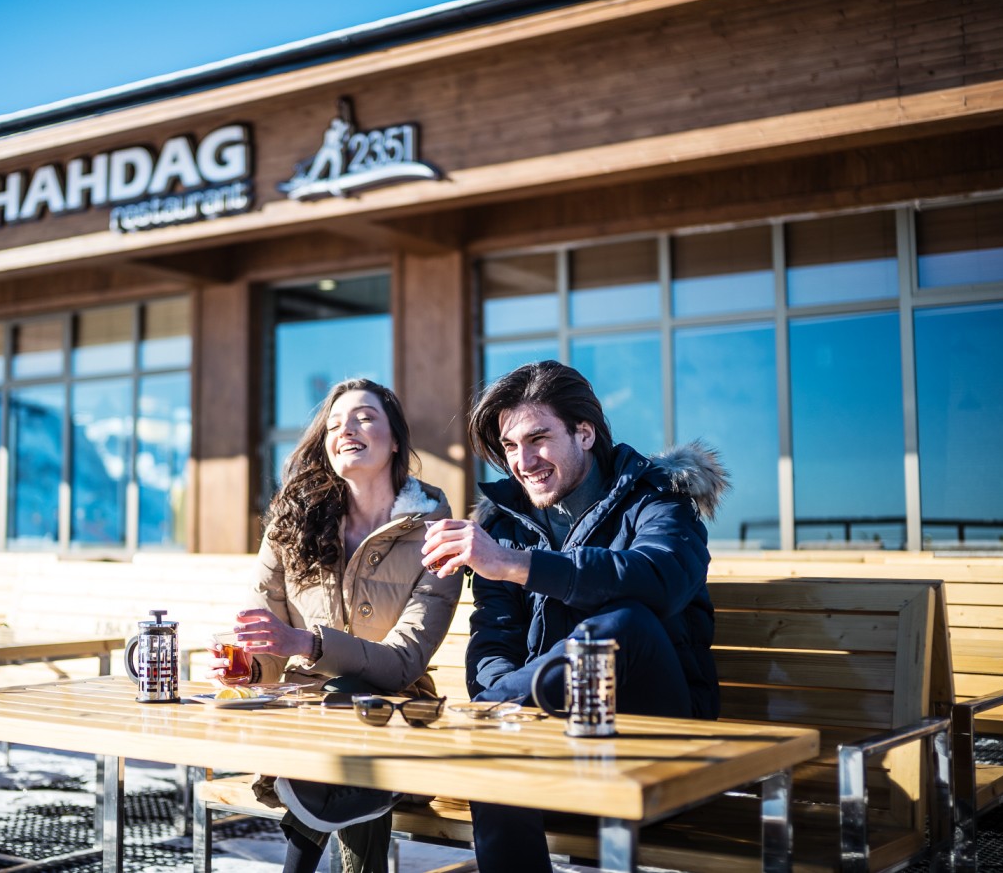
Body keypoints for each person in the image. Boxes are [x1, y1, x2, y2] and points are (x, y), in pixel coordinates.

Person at [420, 360, 728, 873]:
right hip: (548, 745)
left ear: (584, 433)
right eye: (510, 446)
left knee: (627, 622)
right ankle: (493, 723)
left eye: (538, 439)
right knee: (498, 743)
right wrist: (510, 703)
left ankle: (484, 722)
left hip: (659, 750)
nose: (523, 461)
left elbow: (663, 577)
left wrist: (516, 564)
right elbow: (493, 642)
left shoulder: (658, 499)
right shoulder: (505, 523)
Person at [211, 378, 463, 873]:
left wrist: (307, 643)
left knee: (355, 704)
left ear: (396, 441)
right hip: (303, 721)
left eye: (364, 418)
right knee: (346, 751)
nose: (346, 429)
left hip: (397, 719)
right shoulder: (291, 526)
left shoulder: (436, 534)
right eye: (333, 424)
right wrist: (246, 667)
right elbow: (267, 650)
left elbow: (403, 662)